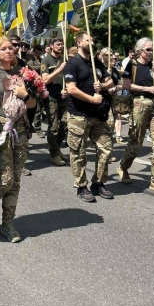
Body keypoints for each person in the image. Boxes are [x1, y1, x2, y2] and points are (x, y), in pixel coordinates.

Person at [0, 37, 36, 242]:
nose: (8, 51)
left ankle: (8, 223)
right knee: (5, 179)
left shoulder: (22, 73)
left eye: (11, 48)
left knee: (16, 179)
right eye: (3, 49)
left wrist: (24, 93)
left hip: (20, 129)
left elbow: (32, 104)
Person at [117, 38, 154, 194]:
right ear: (139, 51)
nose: (151, 53)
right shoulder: (132, 64)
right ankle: (123, 166)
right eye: (148, 50)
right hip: (139, 103)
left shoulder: (153, 66)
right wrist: (147, 89)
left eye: (152, 50)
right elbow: (127, 85)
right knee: (136, 143)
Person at [65, 32, 114, 202]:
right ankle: (81, 186)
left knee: (106, 148)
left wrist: (102, 85)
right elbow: (71, 89)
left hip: (98, 115)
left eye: (93, 41)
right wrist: (92, 99)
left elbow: (110, 82)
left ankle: (98, 182)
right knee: (79, 152)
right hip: (79, 115)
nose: (91, 43)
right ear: (79, 42)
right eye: (88, 40)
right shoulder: (72, 64)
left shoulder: (97, 63)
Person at [41, 37, 68, 166]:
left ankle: (57, 148)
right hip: (51, 98)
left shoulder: (65, 59)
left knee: (65, 124)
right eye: (57, 44)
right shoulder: (46, 60)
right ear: (51, 46)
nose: (60, 46)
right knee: (54, 127)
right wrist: (59, 69)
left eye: (62, 44)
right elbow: (45, 80)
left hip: (64, 97)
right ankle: (54, 153)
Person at [100, 47, 123, 145]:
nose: (110, 57)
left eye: (111, 54)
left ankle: (108, 149)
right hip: (102, 99)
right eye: (106, 55)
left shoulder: (113, 70)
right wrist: (106, 85)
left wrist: (115, 88)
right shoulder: (98, 68)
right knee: (108, 123)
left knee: (112, 123)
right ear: (101, 56)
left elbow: (121, 85)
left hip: (113, 99)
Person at [26, 44, 45, 136]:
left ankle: (36, 126)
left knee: (39, 108)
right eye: (37, 52)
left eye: (40, 53)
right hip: (30, 86)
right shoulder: (29, 57)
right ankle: (34, 127)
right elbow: (29, 68)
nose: (38, 55)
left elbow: (42, 69)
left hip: (39, 85)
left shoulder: (40, 59)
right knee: (34, 108)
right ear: (33, 51)